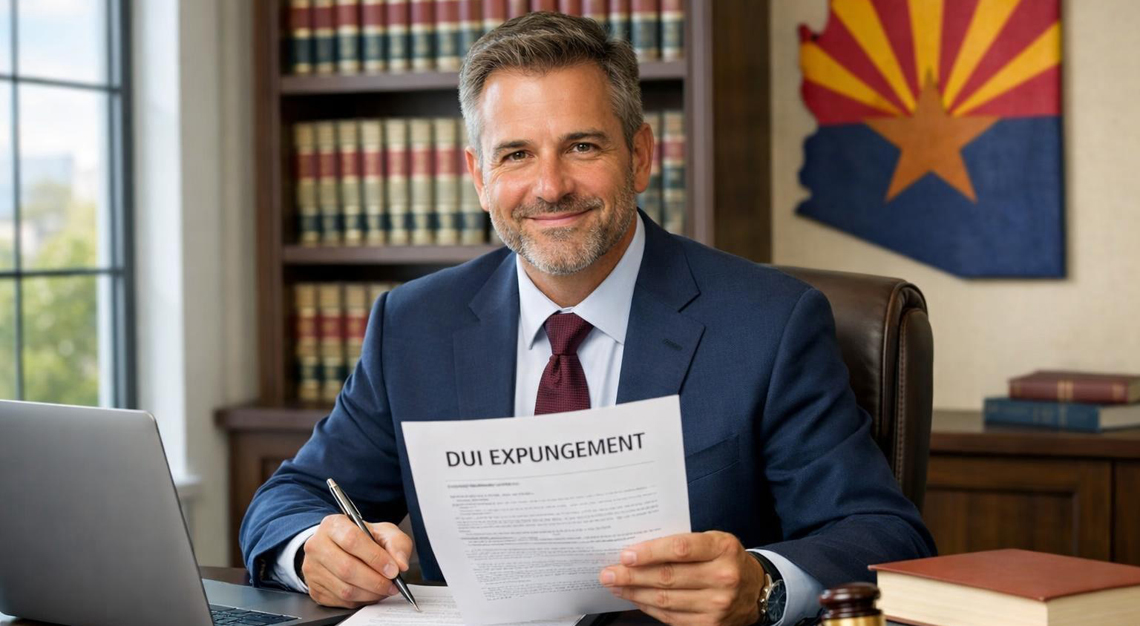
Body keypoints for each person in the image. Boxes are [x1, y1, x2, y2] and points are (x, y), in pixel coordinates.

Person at [241, 12, 935, 626]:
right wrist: (311, 553)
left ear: (639, 157)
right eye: (516, 154)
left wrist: (760, 585)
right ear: (479, 178)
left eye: (582, 146)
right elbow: (289, 498)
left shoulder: (769, 324)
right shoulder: (414, 324)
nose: (550, 187)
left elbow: (882, 533)